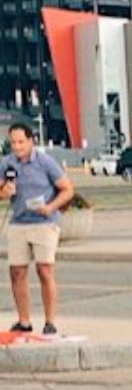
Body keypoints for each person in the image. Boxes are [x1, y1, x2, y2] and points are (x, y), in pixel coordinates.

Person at [0, 122, 74, 336]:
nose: (17, 147)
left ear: (31, 141)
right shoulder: (7, 164)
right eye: (13, 142)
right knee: (16, 272)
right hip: (19, 223)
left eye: (21, 142)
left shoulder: (45, 162)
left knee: (44, 270)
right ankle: (24, 321)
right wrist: (4, 191)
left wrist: (50, 207)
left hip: (44, 223)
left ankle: (50, 321)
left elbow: (67, 190)